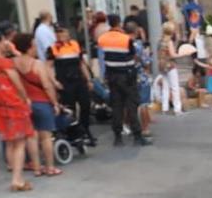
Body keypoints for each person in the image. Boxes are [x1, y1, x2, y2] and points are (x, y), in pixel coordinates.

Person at [0, 23, 36, 191]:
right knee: (20, 143)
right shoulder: (4, 63)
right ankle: (17, 179)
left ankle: (14, 174)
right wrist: (25, 98)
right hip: (12, 103)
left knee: (9, 142)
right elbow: (17, 83)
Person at [95, 14, 147, 146]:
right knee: (131, 106)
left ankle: (117, 137)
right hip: (127, 75)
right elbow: (133, 55)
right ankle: (137, 136)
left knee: (117, 106)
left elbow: (102, 57)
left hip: (112, 76)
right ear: (119, 23)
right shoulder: (126, 39)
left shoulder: (102, 39)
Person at [17, 34, 63, 178]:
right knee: (45, 137)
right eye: (34, 45)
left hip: (24, 103)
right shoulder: (37, 64)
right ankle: (50, 167)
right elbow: (47, 86)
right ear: (29, 48)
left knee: (31, 137)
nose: (36, 48)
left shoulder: (13, 63)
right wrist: (55, 103)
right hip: (41, 103)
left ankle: (36, 168)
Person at [50, 23, 94, 137]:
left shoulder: (74, 45)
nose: (62, 36)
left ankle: (85, 129)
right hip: (65, 82)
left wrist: (88, 79)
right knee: (70, 107)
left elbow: (81, 63)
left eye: (64, 34)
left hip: (79, 80)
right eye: (59, 34)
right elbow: (48, 67)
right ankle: (73, 132)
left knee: (86, 104)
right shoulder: (53, 48)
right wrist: (54, 82)